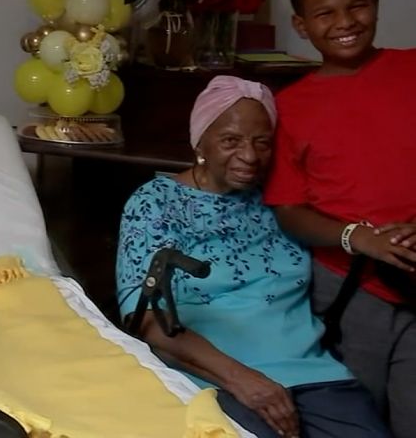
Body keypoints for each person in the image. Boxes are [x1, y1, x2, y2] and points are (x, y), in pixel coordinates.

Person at [117, 76, 389, 438]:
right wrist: (242, 380)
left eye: (262, 143)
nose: (249, 156)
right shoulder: (154, 203)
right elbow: (146, 322)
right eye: (231, 141)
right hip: (209, 378)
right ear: (201, 142)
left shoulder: (281, 203)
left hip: (316, 376)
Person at [265, 0, 416, 437]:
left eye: (356, 6)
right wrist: (358, 237)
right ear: (301, 24)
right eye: (324, 13)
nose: (345, 22)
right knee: (359, 421)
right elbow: (288, 209)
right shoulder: (290, 106)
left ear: (375, 3)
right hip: (349, 290)